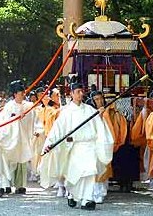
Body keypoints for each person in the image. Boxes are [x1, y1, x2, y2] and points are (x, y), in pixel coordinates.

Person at [40, 82, 114, 210]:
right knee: (76, 173)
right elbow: (57, 130)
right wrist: (50, 144)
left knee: (90, 172)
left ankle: (87, 199)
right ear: (71, 94)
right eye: (78, 91)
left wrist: (99, 115)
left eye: (82, 91)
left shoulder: (90, 110)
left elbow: (98, 126)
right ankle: (72, 195)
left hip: (90, 146)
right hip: (74, 147)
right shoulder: (66, 112)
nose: (81, 94)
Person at [1, 80, 35, 194]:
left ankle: (20, 185)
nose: (22, 95)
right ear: (15, 94)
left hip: (23, 137)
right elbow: (5, 121)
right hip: (12, 137)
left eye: (23, 93)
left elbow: (32, 120)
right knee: (11, 161)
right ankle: (8, 184)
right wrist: (15, 118)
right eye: (20, 93)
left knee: (22, 161)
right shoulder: (9, 106)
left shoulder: (28, 105)